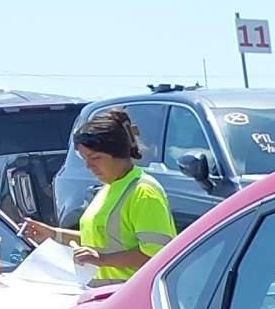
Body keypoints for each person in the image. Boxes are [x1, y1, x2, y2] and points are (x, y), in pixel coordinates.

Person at [17, 107, 174, 281]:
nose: (89, 166)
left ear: (119, 154)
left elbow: (157, 254)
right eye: (85, 159)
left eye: (96, 157)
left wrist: (102, 260)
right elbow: (97, 240)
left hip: (129, 296)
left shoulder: (144, 192)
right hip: (104, 295)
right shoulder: (110, 188)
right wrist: (53, 234)